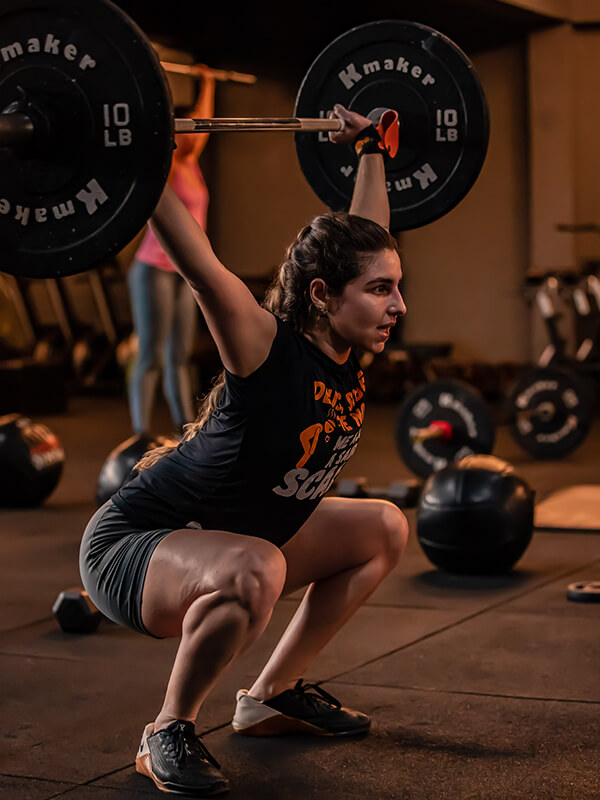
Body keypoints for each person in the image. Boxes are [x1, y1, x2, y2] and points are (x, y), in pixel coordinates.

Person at [79, 103, 408, 797]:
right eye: (381, 289)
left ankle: (270, 697)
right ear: (323, 295)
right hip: (134, 547)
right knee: (256, 566)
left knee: (383, 525)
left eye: (396, 287)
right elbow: (195, 262)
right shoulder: (264, 347)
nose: (398, 305)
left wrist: (372, 148)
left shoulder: (350, 353)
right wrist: (134, 154)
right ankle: (166, 729)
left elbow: (369, 233)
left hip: (234, 537)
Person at [126, 66, 215, 435]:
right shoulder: (166, 165)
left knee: (179, 356)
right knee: (150, 353)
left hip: (183, 271)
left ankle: (185, 431)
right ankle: (139, 434)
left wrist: (207, 83)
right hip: (153, 268)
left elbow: (205, 124)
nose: (192, 133)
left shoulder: (192, 164)